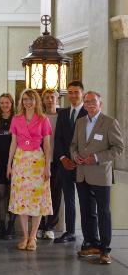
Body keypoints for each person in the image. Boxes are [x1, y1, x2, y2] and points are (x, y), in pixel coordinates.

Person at [70, 91, 124, 264]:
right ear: (84, 104)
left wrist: (97, 157)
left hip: (101, 174)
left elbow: (118, 148)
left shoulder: (109, 122)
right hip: (82, 174)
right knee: (86, 211)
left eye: (93, 102)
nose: (90, 105)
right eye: (87, 102)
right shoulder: (80, 122)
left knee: (103, 212)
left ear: (100, 104)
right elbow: (73, 145)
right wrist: (75, 155)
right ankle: (91, 243)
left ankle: (105, 249)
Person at [7, 89, 53, 251]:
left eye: (31, 99)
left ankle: (33, 237)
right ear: (22, 101)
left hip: (37, 161)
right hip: (20, 160)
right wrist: (9, 164)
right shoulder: (16, 119)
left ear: (36, 101)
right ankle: (25, 236)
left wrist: (47, 165)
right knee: (22, 200)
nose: (28, 102)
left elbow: (47, 144)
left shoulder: (43, 119)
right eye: (25, 99)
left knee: (36, 199)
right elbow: (13, 142)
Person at [53, 80, 88, 244]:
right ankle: (70, 231)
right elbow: (58, 139)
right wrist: (63, 158)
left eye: (76, 92)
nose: (73, 95)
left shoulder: (89, 113)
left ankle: (89, 235)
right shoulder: (63, 113)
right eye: (70, 92)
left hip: (83, 164)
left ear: (82, 93)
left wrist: (78, 159)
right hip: (65, 164)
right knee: (68, 199)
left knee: (85, 199)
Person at [0, 93, 16, 239]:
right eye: (2, 103)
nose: (4, 105)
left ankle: (11, 226)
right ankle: (2, 225)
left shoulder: (17, 120)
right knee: (2, 195)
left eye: (7, 103)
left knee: (13, 195)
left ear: (12, 104)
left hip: (14, 161)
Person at [39, 89, 60, 240]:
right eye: (47, 97)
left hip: (58, 161)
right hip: (40, 161)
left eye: (53, 97)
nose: (50, 99)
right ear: (43, 100)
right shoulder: (39, 117)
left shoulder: (63, 116)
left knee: (55, 194)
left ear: (57, 98)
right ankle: (39, 225)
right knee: (39, 194)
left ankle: (50, 226)